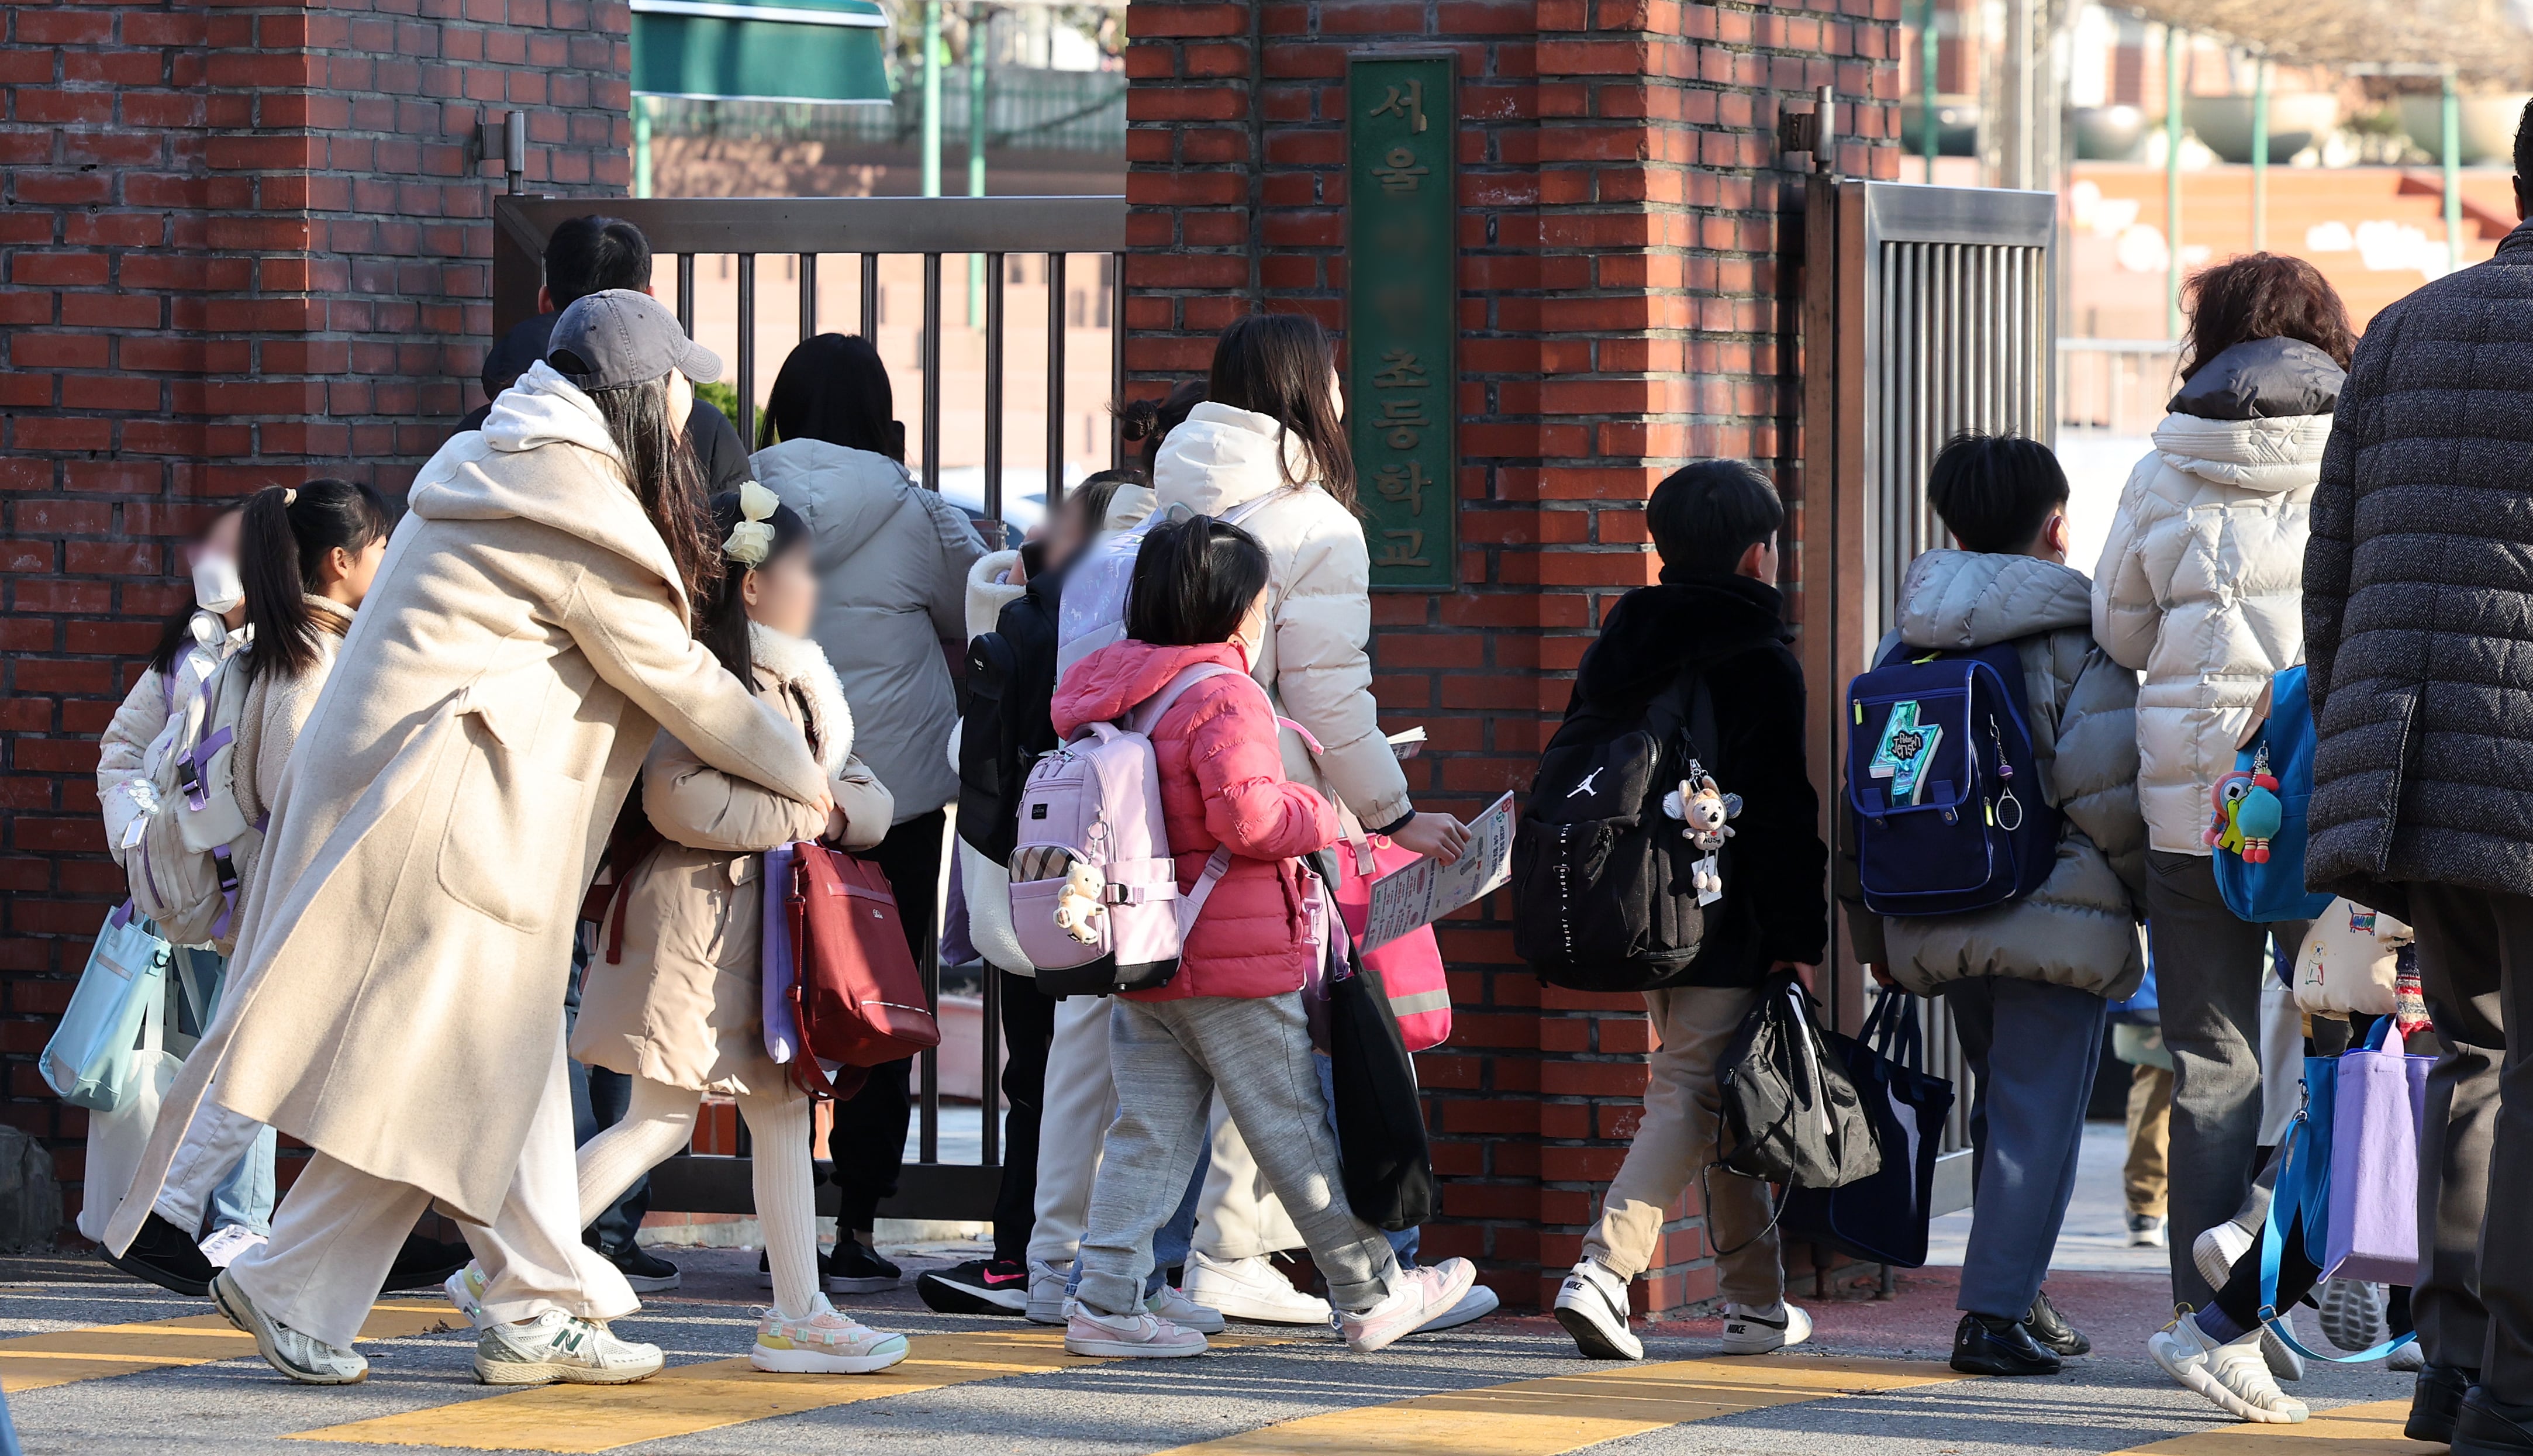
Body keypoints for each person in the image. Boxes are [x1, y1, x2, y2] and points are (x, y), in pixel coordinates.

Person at [101, 289, 834, 1387]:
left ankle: (327, 1287)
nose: (687, 420)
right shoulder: (567, 511)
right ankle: (518, 1306)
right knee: (472, 1073)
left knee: (461, 1083)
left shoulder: (488, 466)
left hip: (425, 814)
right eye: (677, 396)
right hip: (456, 828)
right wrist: (803, 777)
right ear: (635, 402)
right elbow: (680, 681)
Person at [1051, 515, 1479, 1358]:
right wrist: (1329, 810)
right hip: (1234, 956)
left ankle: (1103, 1299)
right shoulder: (1224, 692)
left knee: (1149, 1132)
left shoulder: (1117, 691)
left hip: (1149, 949)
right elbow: (1246, 813)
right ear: (1235, 604)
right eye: (1260, 596)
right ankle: (1372, 1292)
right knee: (1294, 1129)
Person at [1148, 314, 1470, 1322]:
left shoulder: (1166, 496)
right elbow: (1331, 694)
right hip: (1269, 814)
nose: (1341, 399)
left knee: (1181, 1063)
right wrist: (1394, 811)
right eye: (1331, 381)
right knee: (1285, 1049)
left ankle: (1188, 1262)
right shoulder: (1316, 524)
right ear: (1303, 393)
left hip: (1168, 806)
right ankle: (1366, 1278)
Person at [2295, 102, 2533, 1455]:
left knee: (2473, 1053)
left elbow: (2327, 573)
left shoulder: (2403, 329)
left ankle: (2446, 1368)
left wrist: (2351, 733)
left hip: (2409, 756)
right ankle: (2511, 1382)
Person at [560, 486, 909, 1373]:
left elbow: (865, 795)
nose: (814, 586)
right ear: (751, 585)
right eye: (802, 569)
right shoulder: (714, 680)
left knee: (768, 1110)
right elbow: (678, 797)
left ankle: (801, 1311)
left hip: (747, 931)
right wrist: (802, 814)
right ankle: (513, 1262)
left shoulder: (795, 681)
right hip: (697, 929)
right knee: (666, 1117)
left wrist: (820, 815)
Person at [1838, 434, 2147, 1376]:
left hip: (1937, 904)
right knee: (2036, 1122)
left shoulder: (1908, 637)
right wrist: (2140, 899)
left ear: (1953, 524)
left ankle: (2021, 1291)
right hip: (2058, 912)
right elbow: (2108, 791)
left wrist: (1871, 932)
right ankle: (1992, 1316)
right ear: (2055, 526)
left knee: (2001, 1113)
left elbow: (1867, 798)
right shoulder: (2075, 635)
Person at [2090, 253, 2352, 1313]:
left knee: (2210, 1060)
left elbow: (2120, 627)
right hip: (2325, 796)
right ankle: (2310, 1275)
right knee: (2346, 1039)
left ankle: (2204, 1317)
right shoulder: (2358, 443)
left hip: (2194, 804)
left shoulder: (2163, 461)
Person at [1546, 460, 1828, 1362]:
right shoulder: (1758, 655)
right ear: (1757, 554)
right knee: (1693, 1088)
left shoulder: (1621, 643)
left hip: (1639, 905)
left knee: (1712, 1089)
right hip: (1727, 915)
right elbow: (1783, 812)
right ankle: (1603, 1269)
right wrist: (1798, 938)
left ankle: (1755, 1304)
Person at [753, 332, 987, 1291]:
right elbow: (974, 608)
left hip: (767, 783)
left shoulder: (744, 498)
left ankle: (781, 1218)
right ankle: (855, 1227)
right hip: (894, 797)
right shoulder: (919, 513)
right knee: (881, 998)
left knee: (768, 993)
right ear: (882, 419)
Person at [921, 468, 1153, 1315]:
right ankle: (1074, 1258)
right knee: (1120, 1079)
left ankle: (1026, 1255)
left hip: (1033, 869)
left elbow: (967, 753)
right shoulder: (1147, 623)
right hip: (1124, 874)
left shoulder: (1030, 616)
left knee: (1041, 1073)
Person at [92, 503, 268, 1292]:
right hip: (188, 892)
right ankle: (200, 1218)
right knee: (220, 1052)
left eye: (230, 544)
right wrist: (138, 837)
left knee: (245, 1049)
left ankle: (238, 1220)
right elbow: (123, 747)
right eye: (209, 542)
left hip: (253, 887)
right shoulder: (186, 652)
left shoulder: (284, 653)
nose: (211, 556)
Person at [457, 215, 749, 494]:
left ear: (545, 301)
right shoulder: (703, 428)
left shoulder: (484, 431)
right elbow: (743, 533)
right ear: (648, 300)